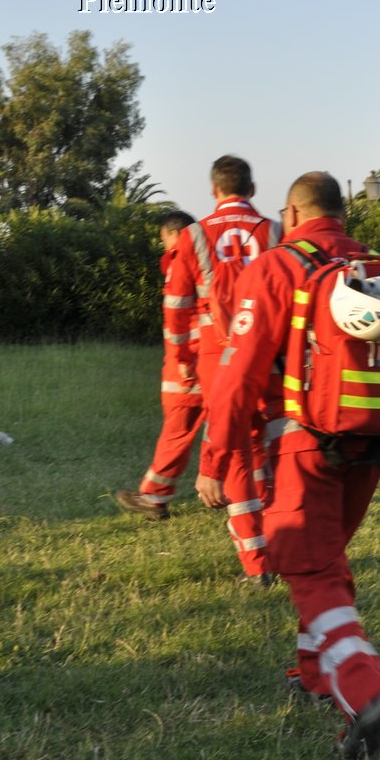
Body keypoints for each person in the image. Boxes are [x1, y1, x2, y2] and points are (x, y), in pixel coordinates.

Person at [196, 171, 380, 759]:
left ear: (291, 212)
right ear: (342, 213)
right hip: (375, 444)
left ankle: (364, 690)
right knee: (325, 560)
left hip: (307, 446)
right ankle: (315, 673)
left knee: (307, 569)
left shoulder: (277, 268)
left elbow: (236, 376)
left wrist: (214, 460)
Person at [124, 155, 282, 586]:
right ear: (251, 190)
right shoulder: (274, 231)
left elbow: (176, 307)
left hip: (218, 356)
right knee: (271, 449)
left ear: (214, 191)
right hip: (271, 354)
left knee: (236, 453)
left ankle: (257, 562)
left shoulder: (193, 236)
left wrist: (180, 358)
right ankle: (282, 541)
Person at [116, 211, 201, 521]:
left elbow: (176, 313)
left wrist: (181, 361)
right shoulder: (211, 258)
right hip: (216, 355)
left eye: (163, 238)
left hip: (190, 357)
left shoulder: (181, 260)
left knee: (178, 426)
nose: (163, 245)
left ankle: (154, 495)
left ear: (175, 235)